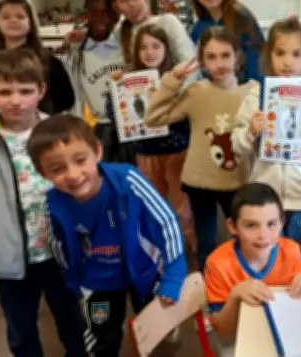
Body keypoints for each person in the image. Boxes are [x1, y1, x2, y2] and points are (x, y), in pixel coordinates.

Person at [0, 49, 86, 357]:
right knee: (21, 330)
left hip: (61, 254)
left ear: (41, 91)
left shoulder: (61, 132)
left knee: (73, 323)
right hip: (11, 259)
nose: (15, 100)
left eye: (25, 91)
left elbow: (86, 182)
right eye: (5, 91)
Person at [27, 114, 187, 357]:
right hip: (97, 281)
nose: (73, 174)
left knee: (160, 335)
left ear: (97, 152)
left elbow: (167, 221)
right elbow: (60, 248)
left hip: (145, 269)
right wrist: (74, 283)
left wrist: (174, 275)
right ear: (42, 173)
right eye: (57, 169)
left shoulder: (128, 179)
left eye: (80, 160)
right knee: (102, 342)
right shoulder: (53, 205)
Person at [146, 26, 257, 271]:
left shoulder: (253, 92)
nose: (220, 63)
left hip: (239, 181)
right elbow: (153, 118)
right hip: (200, 184)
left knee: (245, 240)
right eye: (212, 57)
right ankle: (210, 293)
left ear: (237, 56)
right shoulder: (196, 92)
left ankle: (242, 286)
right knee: (207, 245)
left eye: (225, 55)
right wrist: (173, 82)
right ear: (203, 61)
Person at [232, 17, 301, 253]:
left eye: (296, 54)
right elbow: (237, 146)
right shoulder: (256, 96)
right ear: (269, 55)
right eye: (280, 53)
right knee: (266, 256)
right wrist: (250, 132)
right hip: (265, 199)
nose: (287, 62)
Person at [204, 183, 301, 341]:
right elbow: (222, 330)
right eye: (251, 225)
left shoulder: (292, 251)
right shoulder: (217, 263)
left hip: (282, 332)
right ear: (233, 226)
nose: (263, 235)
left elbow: (298, 310)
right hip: (238, 338)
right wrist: (235, 296)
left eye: (271, 224)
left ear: (281, 223)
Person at [121, 24, 194, 251]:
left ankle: (190, 257)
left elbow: (188, 114)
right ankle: (159, 254)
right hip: (146, 154)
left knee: (183, 209)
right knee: (151, 208)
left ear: (166, 49)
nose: (150, 52)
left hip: (176, 153)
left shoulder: (177, 79)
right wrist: (117, 87)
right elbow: (119, 116)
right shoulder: (128, 79)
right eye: (143, 47)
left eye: (155, 46)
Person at [0, 0, 74, 117]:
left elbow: (66, 100)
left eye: (20, 16)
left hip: (41, 131)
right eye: (6, 17)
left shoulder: (49, 62)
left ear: (30, 23)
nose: (13, 20)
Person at [66, 0, 127, 161]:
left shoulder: (127, 44)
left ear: (116, 15)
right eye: (94, 12)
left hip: (129, 124)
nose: (101, 18)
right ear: (86, 15)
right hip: (98, 126)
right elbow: (75, 94)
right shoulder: (77, 52)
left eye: (106, 12)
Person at [189, 0, 265, 84]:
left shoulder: (242, 17)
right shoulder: (197, 29)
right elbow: (195, 66)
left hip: (244, 92)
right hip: (213, 94)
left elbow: (257, 61)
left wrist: (255, 94)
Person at [112, 0, 197, 73]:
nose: (132, 4)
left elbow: (190, 63)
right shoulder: (119, 32)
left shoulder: (168, 22)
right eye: (124, 0)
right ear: (116, 6)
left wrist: (170, 86)